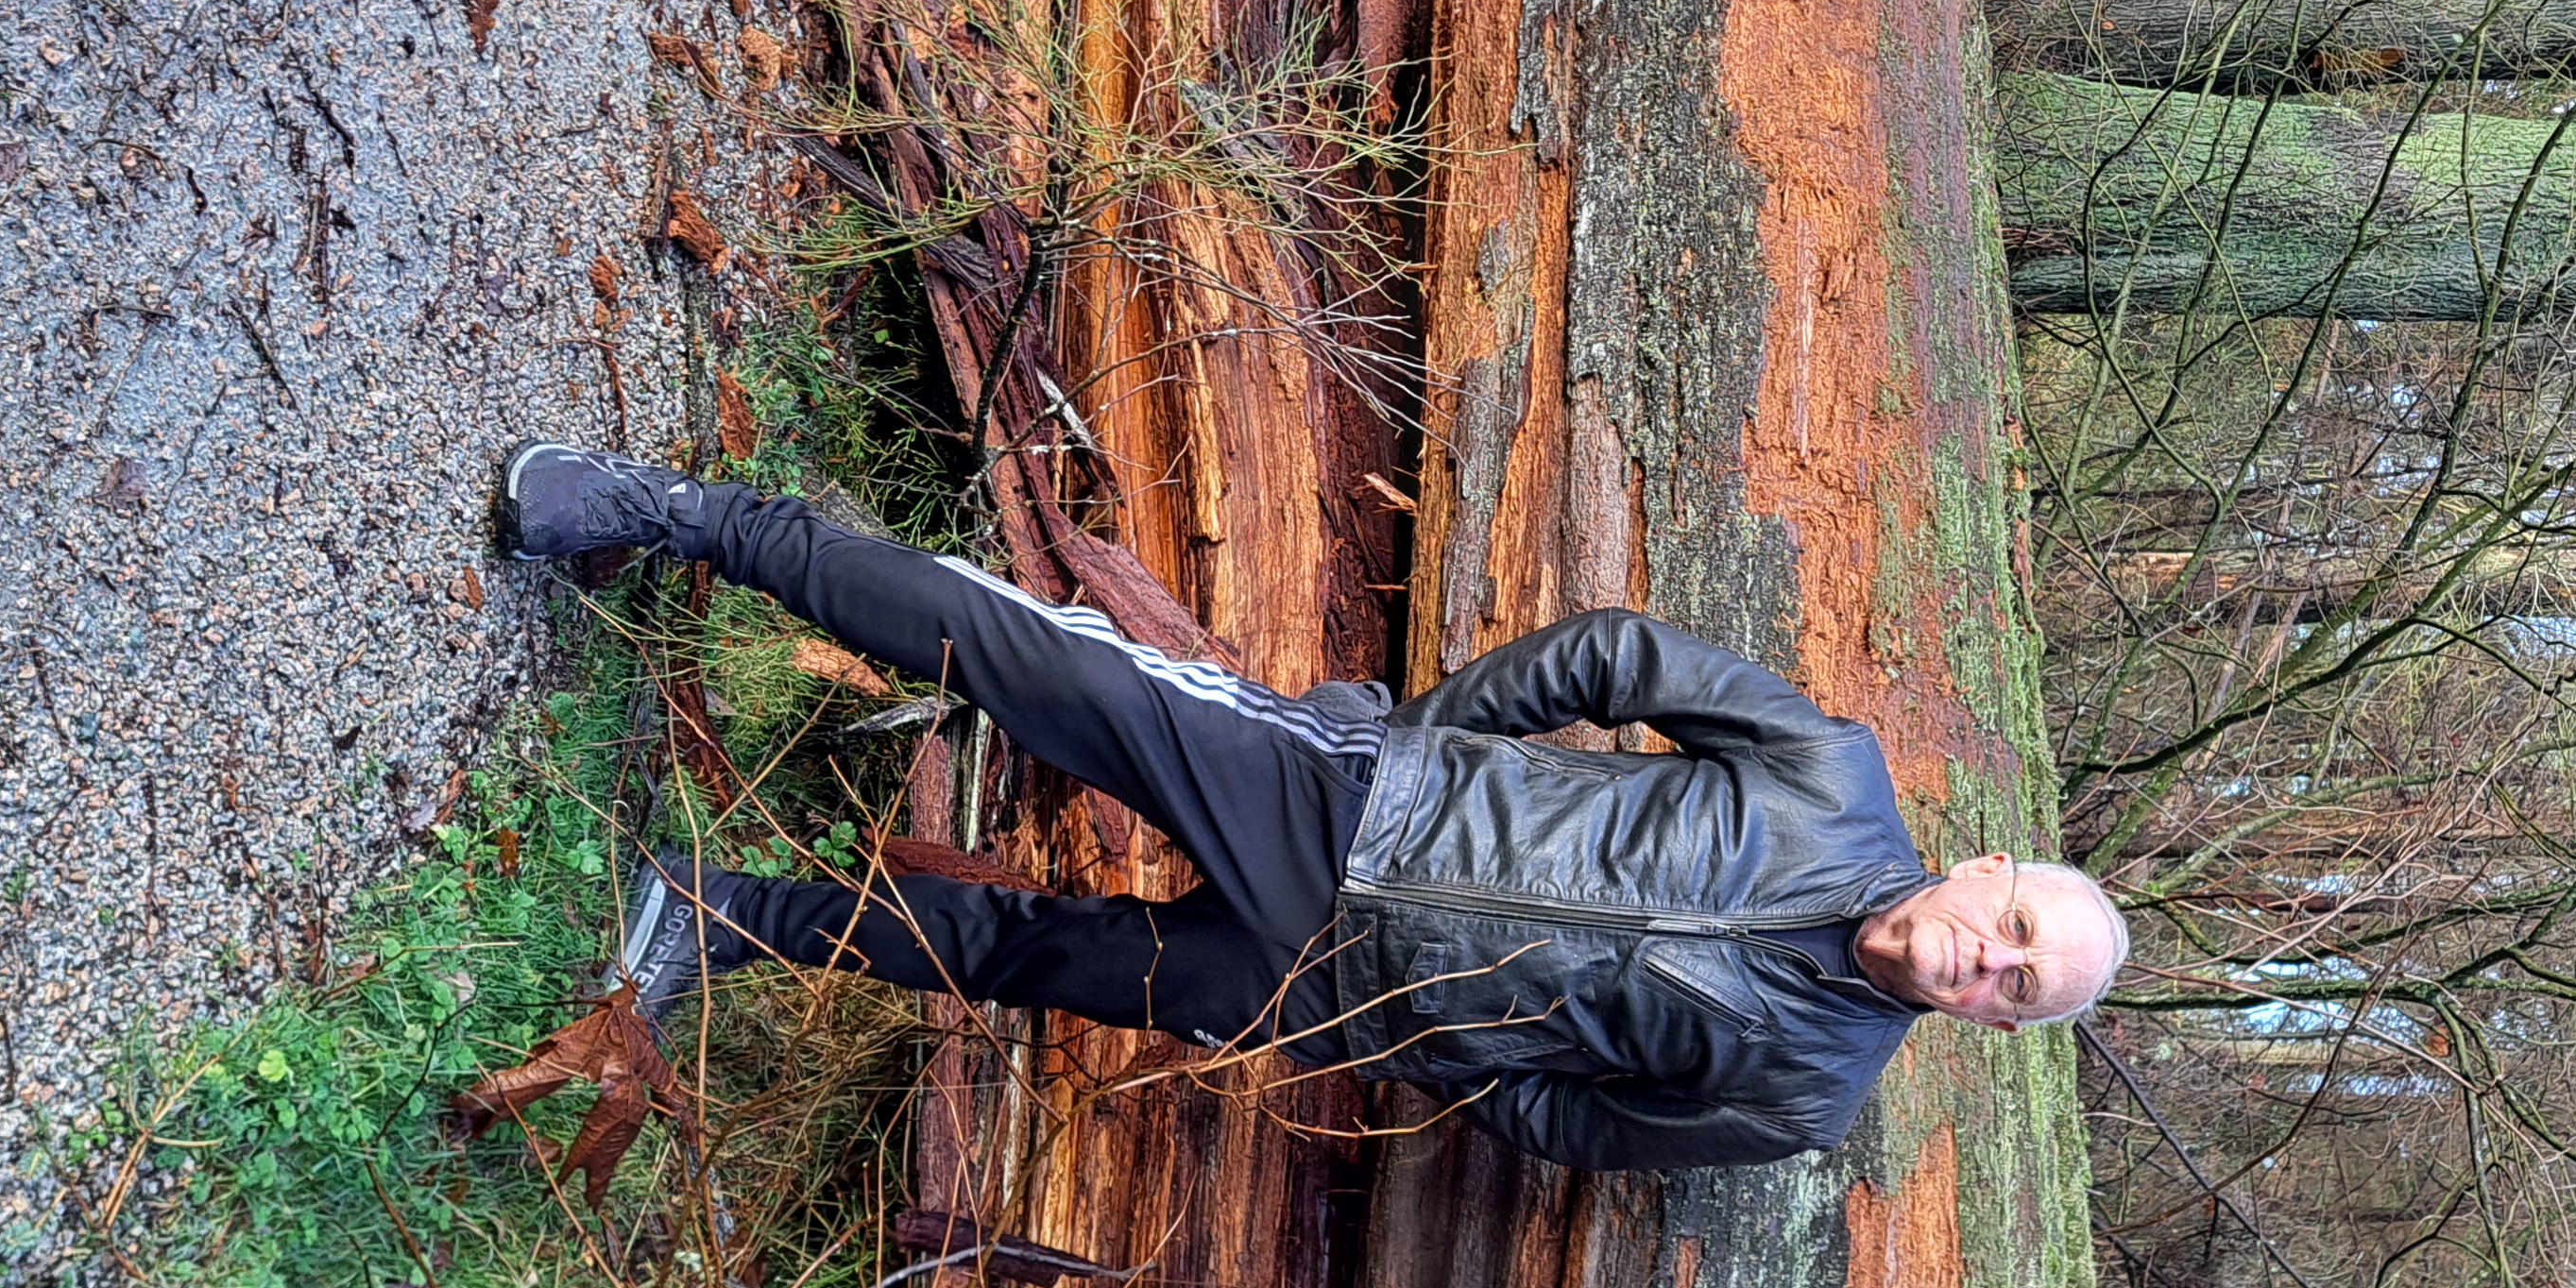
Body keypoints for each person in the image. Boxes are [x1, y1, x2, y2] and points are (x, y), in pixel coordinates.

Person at [492, 443, 2129, 1172]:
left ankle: (714, 912)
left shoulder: (1801, 1097)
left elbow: (1572, 1125)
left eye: (2013, 987)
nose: (1982, 959)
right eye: (2011, 926)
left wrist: (1433, 1043)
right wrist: (1424, 742)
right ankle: (680, 513)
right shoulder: (1830, 779)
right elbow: (1622, 656)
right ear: (1987, 865)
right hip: (1341, 805)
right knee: (1019, 660)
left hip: (1323, 997)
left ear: (1991, 1029)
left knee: (1019, 956)